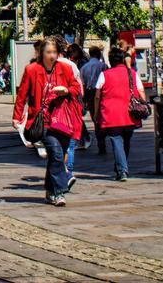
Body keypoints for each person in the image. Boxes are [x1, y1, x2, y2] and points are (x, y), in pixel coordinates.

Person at [12, 37, 83, 206]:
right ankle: (59, 192)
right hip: (42, 120)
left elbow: (76, 88)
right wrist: (16, 115)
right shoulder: (32, 70)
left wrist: (66, 90)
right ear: (41, 53)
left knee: (56, 157)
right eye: (48, 52)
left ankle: (50, 191)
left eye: (54, 52)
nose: (52, 55)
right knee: (57, 153)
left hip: (62, 119)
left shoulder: (65, 68)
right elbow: (22, 94)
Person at [91, 46, 145, 182]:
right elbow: (141, 90)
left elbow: (97, 96)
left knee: (116, 140)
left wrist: (96, 113)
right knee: (126, 140)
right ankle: (120, 167)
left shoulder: (105, 74)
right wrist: (144, 104)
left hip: (111, 114)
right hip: (130, 113)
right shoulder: (132, 73)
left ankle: (122, 170)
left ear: (110, 60)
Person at [80, 46, 108, 154]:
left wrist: (84, 99)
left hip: (89, 94)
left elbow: (82, 84)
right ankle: (102, 137)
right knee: (103, 117)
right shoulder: (103, 66)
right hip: (102, 94)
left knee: (95, 118)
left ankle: (100, 139)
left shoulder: (84, 67)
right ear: (98, 54)